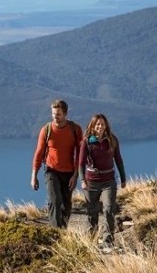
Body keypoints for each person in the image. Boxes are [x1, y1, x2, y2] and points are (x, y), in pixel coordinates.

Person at [31, 99, 83, 228]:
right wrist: (34, 176)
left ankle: (63, 230)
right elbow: (38, 153)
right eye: (53, 113)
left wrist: (75, 175)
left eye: (58, 114)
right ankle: (55, 232)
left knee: (66, 205)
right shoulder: (46, 130)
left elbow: (81, 155)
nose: (55, 117)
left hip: (69, 172)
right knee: (54, 200)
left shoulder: (75, 129)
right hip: (51, 170)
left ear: (65, 114)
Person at [78, 113, 126, 247]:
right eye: (97, 124)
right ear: (93, 126)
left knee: (109, 210)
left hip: (108, 181)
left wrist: (123, 178)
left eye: (102, 124)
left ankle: (107, 241)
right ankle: (90, 241)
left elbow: (118, 160)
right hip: (91, 182)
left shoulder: (112, 140)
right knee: (92, 213)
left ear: (106, 126)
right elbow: (80, 163)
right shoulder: (86, 142)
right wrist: (82, 180)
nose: (100, 126)